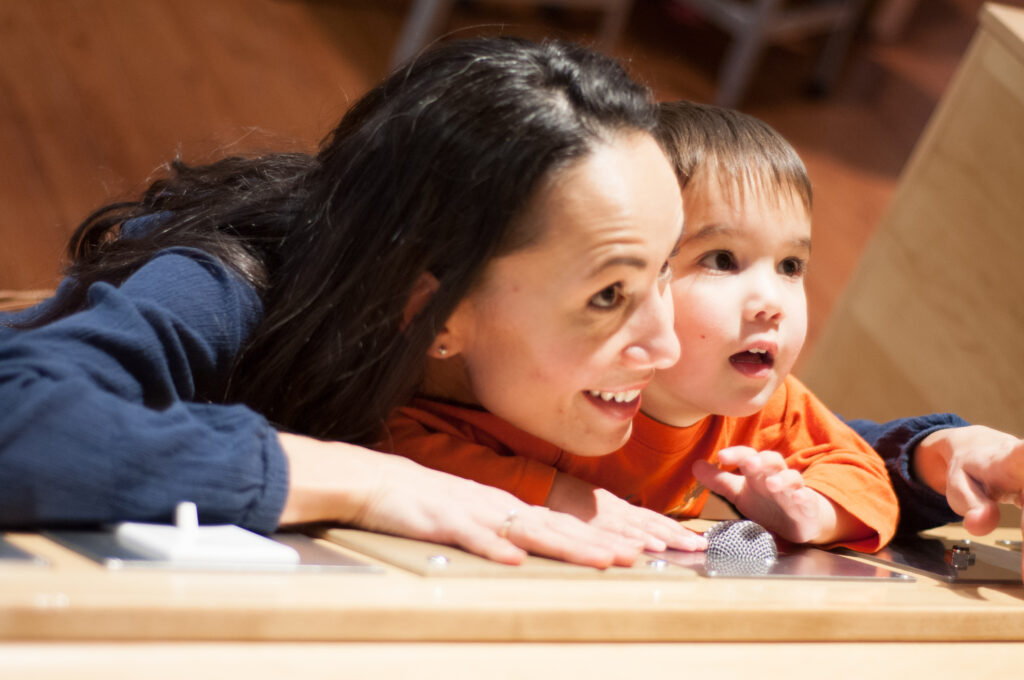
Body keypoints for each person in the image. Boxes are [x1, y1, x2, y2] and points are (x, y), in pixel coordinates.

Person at [0, 36, 706, 567]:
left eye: (667, 268)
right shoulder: (225, 285)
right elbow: (17, 418)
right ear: (432, 310)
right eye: (608, 294)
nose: (665, 345)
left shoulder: (544, 378)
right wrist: (362, 480)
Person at [385, 101, 899, 552]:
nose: (771, 302)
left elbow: (868, 476)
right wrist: (555, 495)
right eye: (722, 259)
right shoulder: (551, 383)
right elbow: (391, 439)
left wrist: (810, 514)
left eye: (790, 265)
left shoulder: (771, 410)